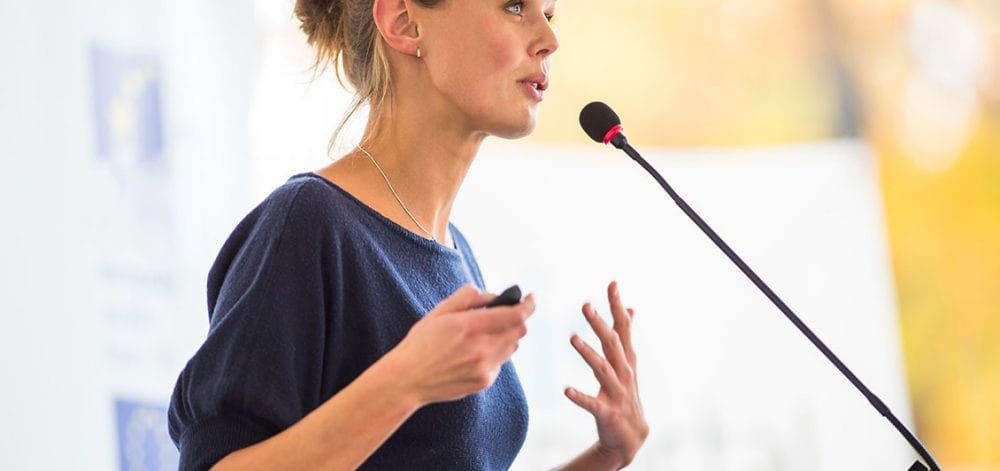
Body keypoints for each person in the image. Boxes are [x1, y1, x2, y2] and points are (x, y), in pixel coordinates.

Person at [167, 0, 648, 469]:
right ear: (404, 23)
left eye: (549, 14)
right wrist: (406, 382)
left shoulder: (457, 252)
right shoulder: (308, 225)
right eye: (514, 6)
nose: (549, 40)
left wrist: (607, 456)